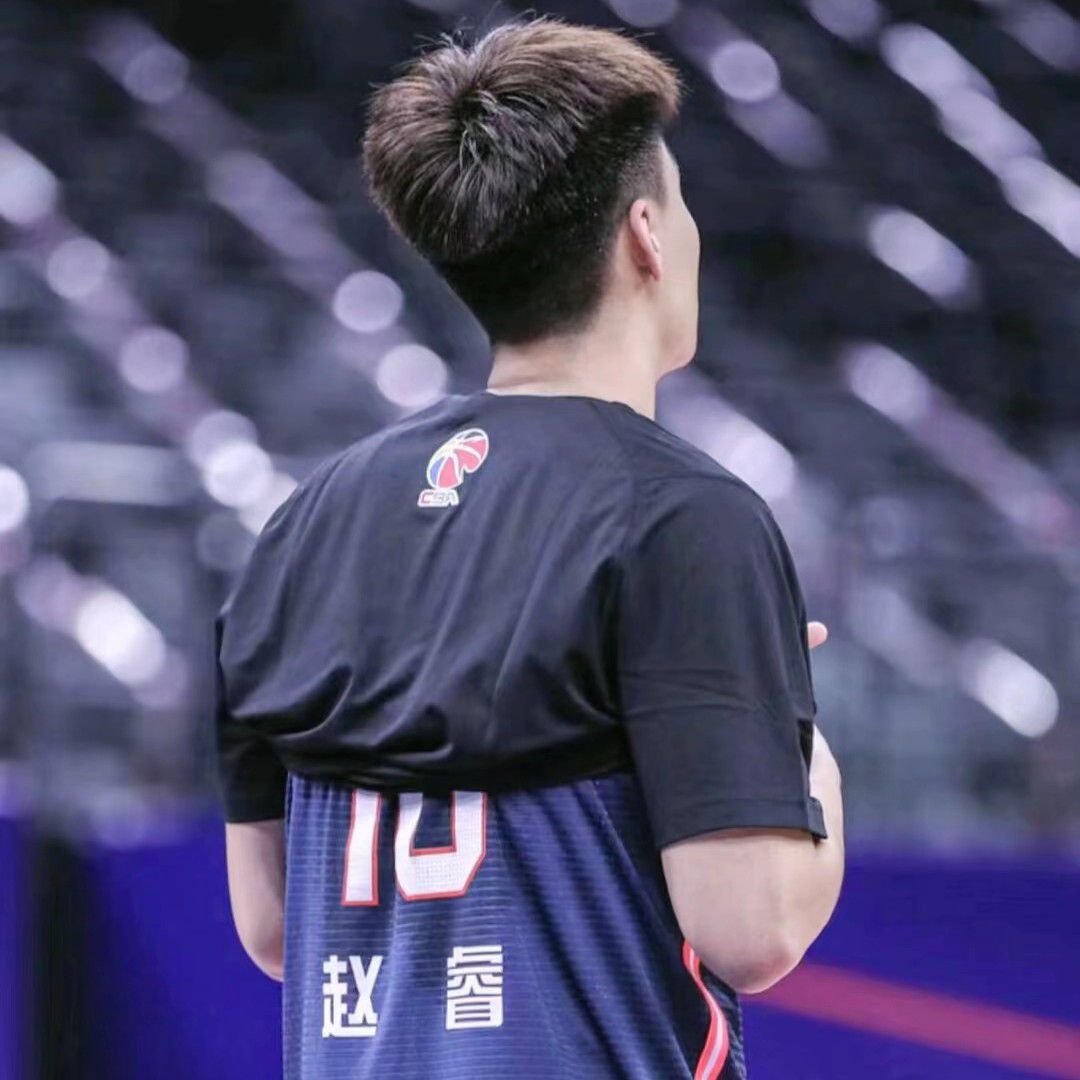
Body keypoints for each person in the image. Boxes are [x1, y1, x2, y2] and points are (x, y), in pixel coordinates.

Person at [215, 17, 845, 1079]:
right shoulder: (681, 517)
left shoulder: (301, 525)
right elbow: (754, 927)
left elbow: (276, 929)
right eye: (682, 202)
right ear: (647, 235)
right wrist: (800, 739)